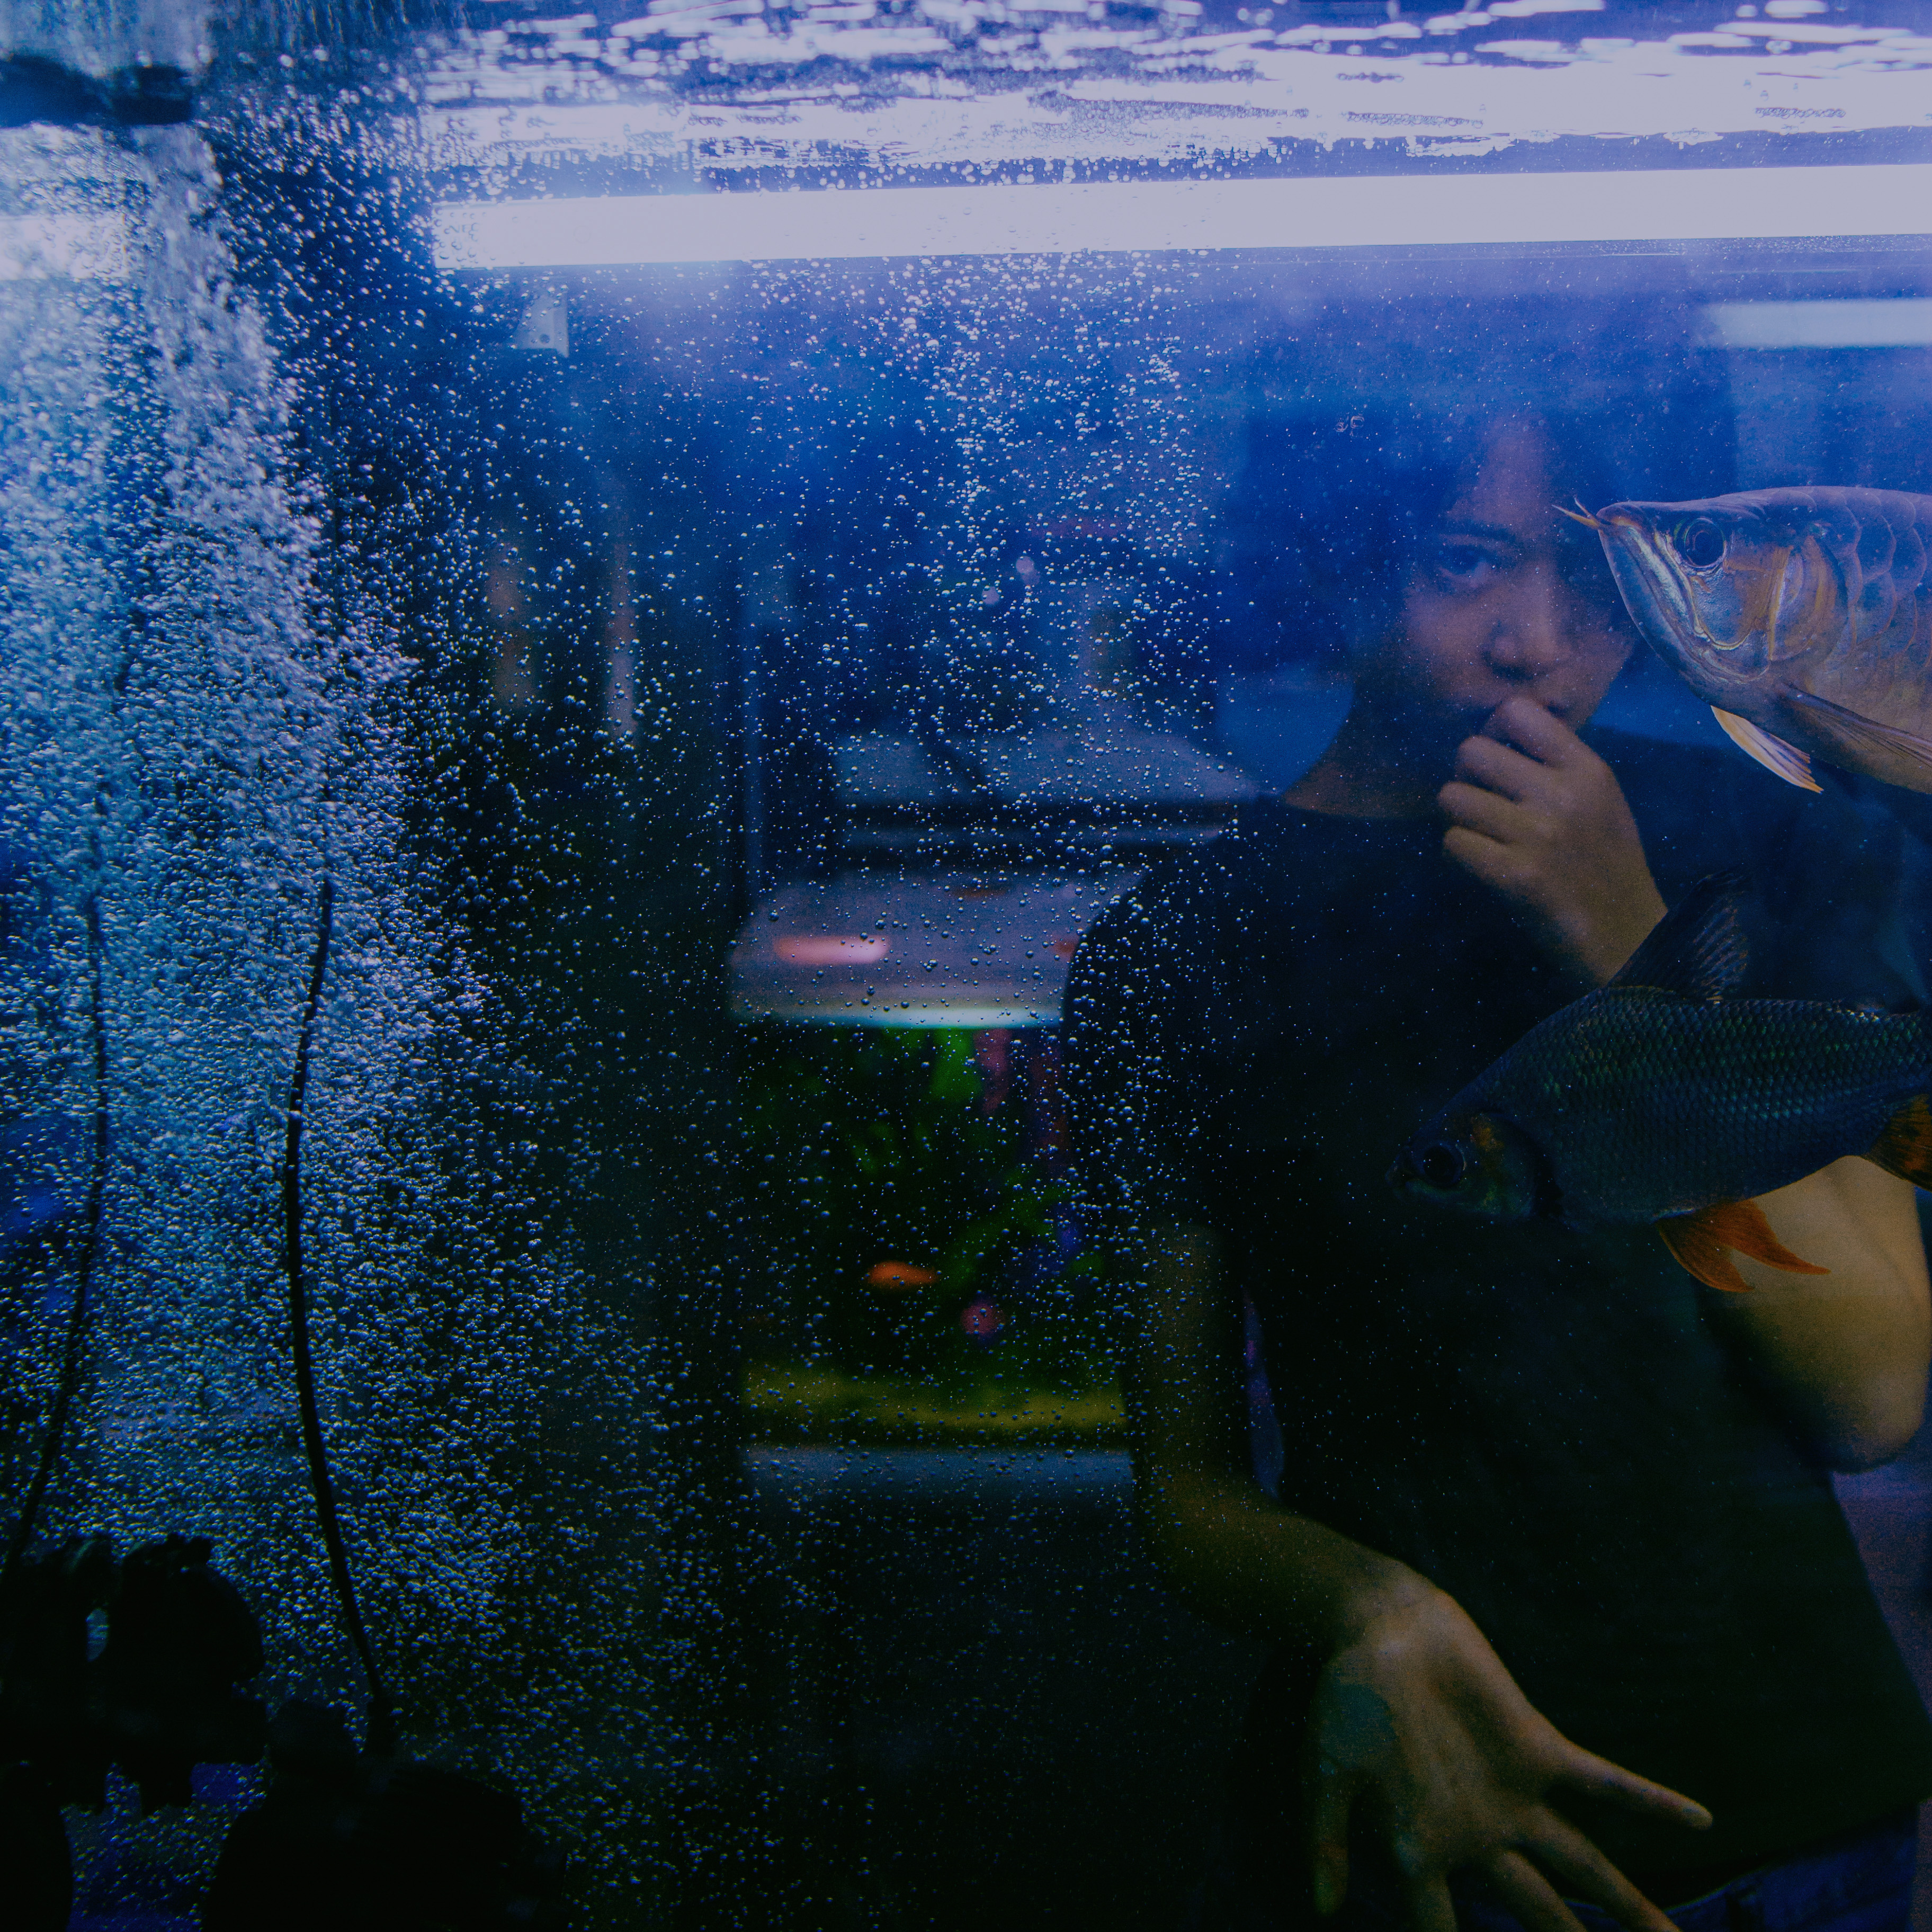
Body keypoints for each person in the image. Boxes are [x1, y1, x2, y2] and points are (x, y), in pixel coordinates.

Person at [1064, 392, 1932, 1932]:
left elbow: (1869, 1391)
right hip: (1447, 1821)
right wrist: (1371, 1613)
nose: (1538, 642)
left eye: (1589, 581)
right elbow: (1183, 1494)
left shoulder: (1752, 831)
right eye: (1466, 563)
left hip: (1810, 1816)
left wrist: (1621, 936)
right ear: (1344, 566)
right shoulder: (1181, 946)